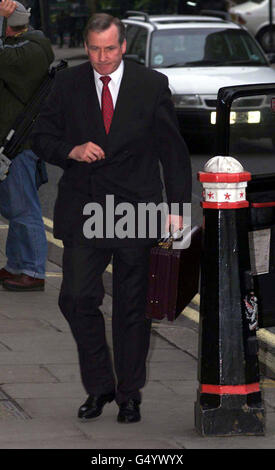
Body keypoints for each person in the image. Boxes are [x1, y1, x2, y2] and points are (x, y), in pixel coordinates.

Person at [32, 13, 192, 423]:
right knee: (76, 297)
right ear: (86, 47)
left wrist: (176, 210)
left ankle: (129, 394)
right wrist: (72, 149)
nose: (102, 59)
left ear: (123, 47)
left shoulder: (151, 85)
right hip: (85, 208)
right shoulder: (67, 84)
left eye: (110, 49)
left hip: (137, 208)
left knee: (131, 308)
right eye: (94, 50)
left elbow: (173, 153)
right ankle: (100, 384)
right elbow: (42, 137)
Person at [0, 0, 54, 291]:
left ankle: (32, 270)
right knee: (14, 207)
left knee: (24, 209)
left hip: (19, 144)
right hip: (11, 142)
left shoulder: (31, 49)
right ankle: (16, 264)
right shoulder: (21, 45)